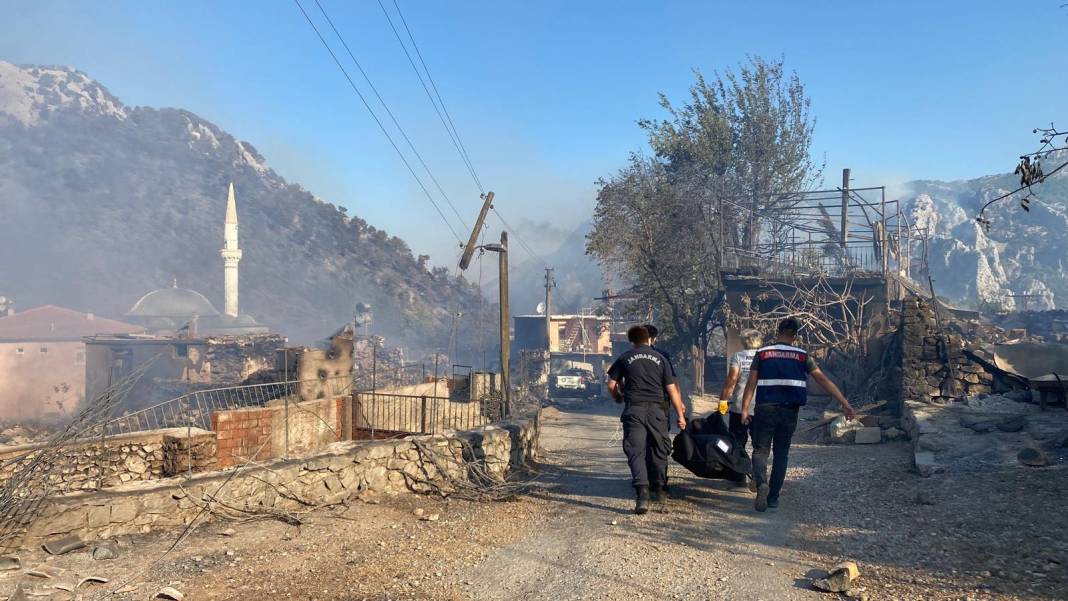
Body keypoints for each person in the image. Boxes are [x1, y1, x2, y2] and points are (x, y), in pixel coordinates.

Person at [740, 317, 855, 512]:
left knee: (760, 450)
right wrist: (844, 403)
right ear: (795, 336)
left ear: (778, 332)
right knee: (781, 452)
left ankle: (761, 484)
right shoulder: (802, 356)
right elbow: (823, 380)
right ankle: (773, 497)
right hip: (790, 410)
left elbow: (751, 383)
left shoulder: (763, 353)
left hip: (765, 408)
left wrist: (744, 409)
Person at [607, 325, 687, 515]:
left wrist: (618, 397)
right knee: (659, 449)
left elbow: (611, 384)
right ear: (649, 339)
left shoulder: (625, 357)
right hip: (657, 411)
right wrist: (680, 415)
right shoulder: (661, 358)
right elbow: (672, 389)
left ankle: (642, 494)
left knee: (635, 451)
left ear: (631, 340)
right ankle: (659, 489)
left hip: (634, 410)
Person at [718, 328, 763, 488]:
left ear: (744, 341)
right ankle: (758, 478)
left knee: (737, 443)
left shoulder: (738, 357)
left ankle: (739, 477)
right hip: (760, 407)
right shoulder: (764, 357)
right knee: (759, 445)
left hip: (739, 406)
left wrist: (723, 400)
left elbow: (731, 380)